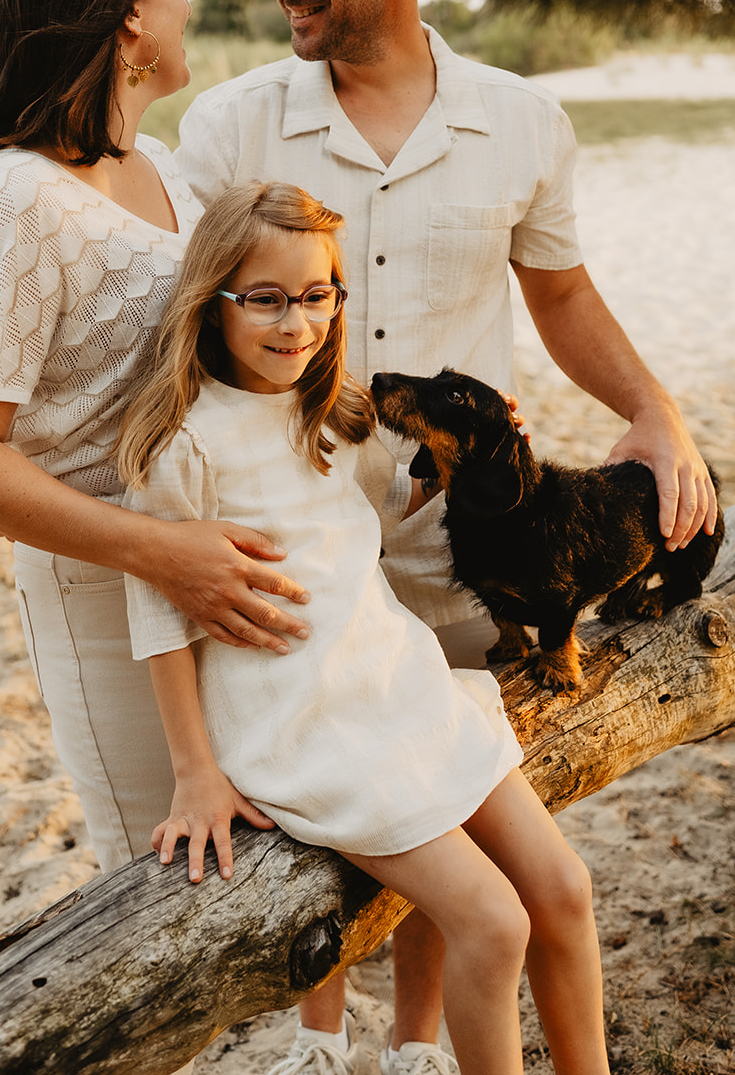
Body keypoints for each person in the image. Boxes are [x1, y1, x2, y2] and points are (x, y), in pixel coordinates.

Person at [175, 0, 718, 1075]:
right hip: (298, 555)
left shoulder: (520, 122)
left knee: (435, 798)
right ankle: (321, 1048)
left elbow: (563, 297)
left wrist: (654, 410)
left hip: (450, 547)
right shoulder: (227, 125)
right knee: (330, 844)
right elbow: (183, 324)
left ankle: (416, 1048)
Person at [116, 180, 611, 1075]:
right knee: (492, 921)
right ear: (211, 302)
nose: (294, 323)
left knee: (563, 890)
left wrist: (488, 447)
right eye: (263, 299)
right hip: (305, 719)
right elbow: (155, 612)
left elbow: (375, 513)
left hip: (394, 682)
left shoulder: (335, 411)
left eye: (316, 295)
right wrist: (195, 774)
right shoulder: (184, 443)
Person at [0, 0, 313, 887]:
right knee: (164, 902)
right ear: (130, 14)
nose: (187, 0)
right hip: (108, 601)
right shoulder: (9, 200)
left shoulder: (170, 175)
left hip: (218, 581)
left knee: (278, 866)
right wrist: (165, 553)